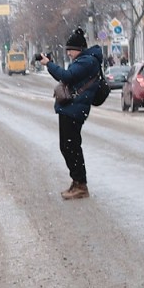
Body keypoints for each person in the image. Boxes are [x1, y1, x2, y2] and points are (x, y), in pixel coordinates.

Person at [41, 28, 106, 199]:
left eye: (70, 50)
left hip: (75, 110)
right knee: (68, 146)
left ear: (79, 49)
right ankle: (77, 182)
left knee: (70, 147)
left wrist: (49, 64)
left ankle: (80, 184)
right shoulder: (85, 60)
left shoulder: (87, 61)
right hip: (72, 108)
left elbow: (67, 76)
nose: (68, 53)